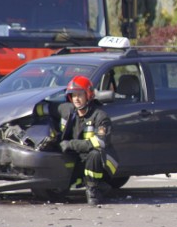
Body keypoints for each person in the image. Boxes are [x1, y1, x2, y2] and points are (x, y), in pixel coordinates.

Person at [36, 75, 118, 205]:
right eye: (73, 95)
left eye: (80, 95)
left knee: (95, 153)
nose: (76, 99)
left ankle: (93, 190)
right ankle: (91, 183)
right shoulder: (67, 110)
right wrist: (25, 110)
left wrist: (70, 144)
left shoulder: (100, 116)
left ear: (88, 95)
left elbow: (100, 143)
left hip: (103, 161)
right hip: (78, 157)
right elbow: (43, 109)